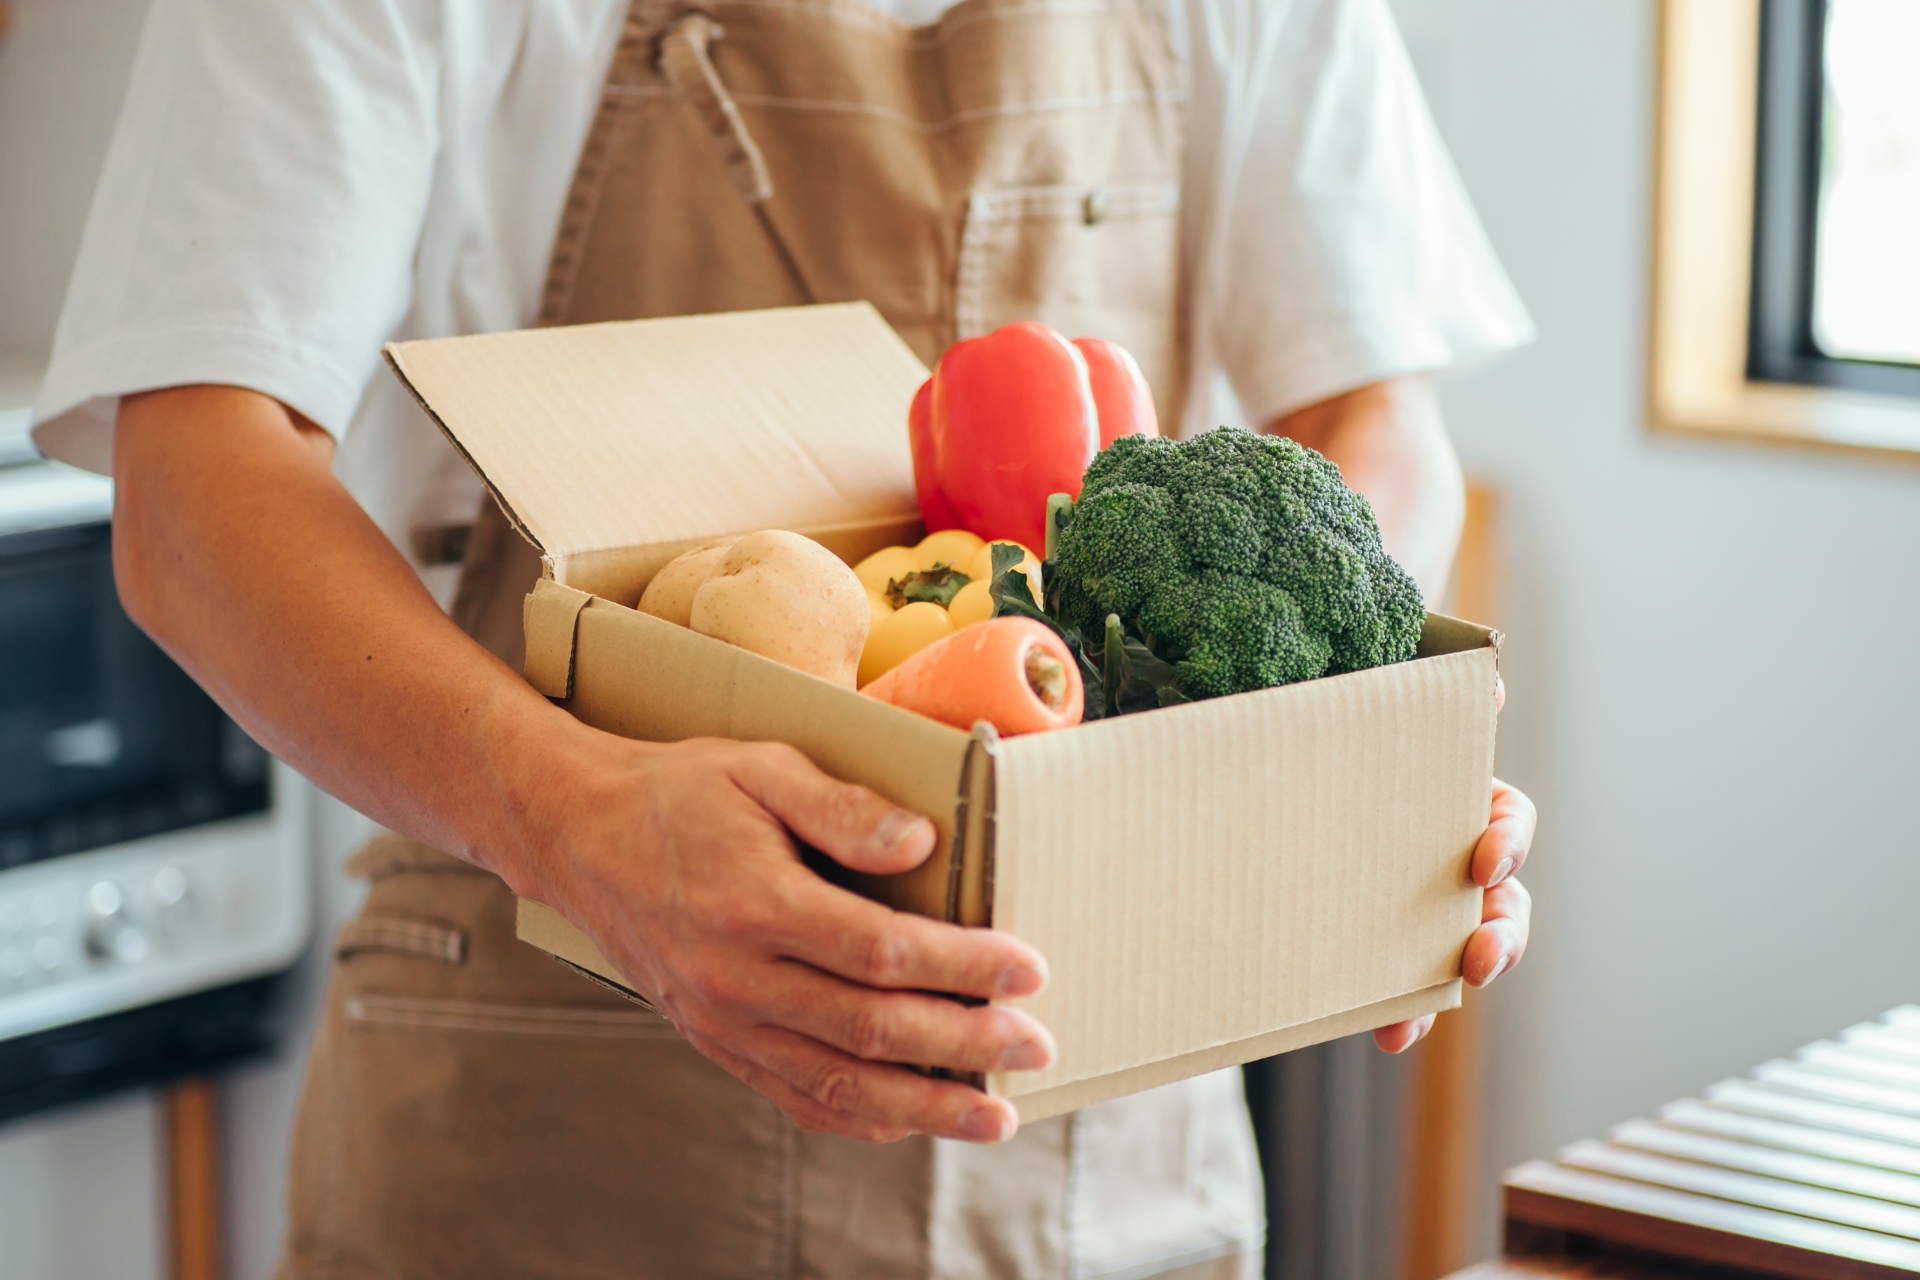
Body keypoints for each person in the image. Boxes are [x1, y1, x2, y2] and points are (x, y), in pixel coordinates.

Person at [33, 0, 1538, 1274]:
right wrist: (559, 814)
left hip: (1106, 1172)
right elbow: (195, 480)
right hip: (551, 1134)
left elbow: (1370, 421)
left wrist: (1340, 750)